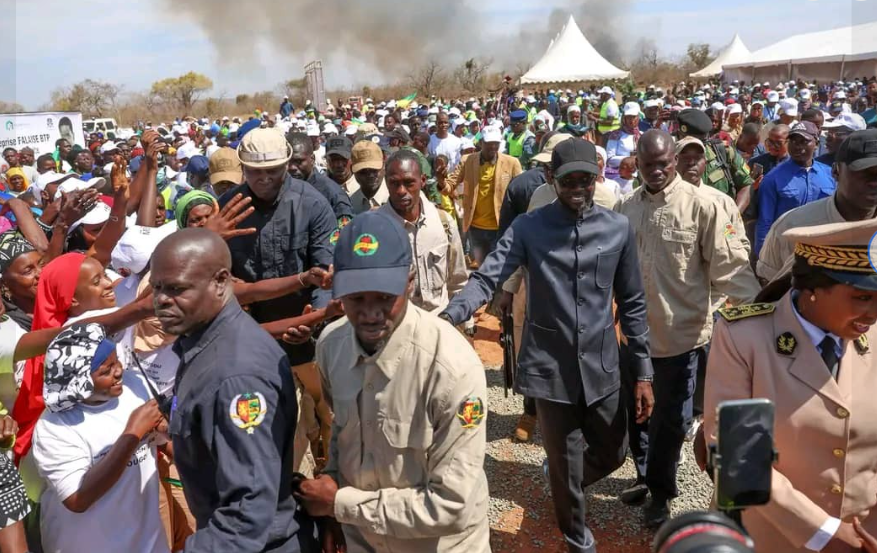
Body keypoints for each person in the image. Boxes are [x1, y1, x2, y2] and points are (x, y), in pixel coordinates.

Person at [441, 138, 655, 553]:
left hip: (602, 367)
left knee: (614, 452)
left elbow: (632, 301)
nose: (579, 187)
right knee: (566, 460)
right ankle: (578, 538)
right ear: (551, 178)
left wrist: (643, 371)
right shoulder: (529, 227)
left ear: (597, 178)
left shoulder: (617, 229)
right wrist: (451, 316)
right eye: (569, 179)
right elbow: (487, 278)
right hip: (549, 370)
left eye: (587, 179)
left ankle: (564, 479)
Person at [295, 211, 489, 552]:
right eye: (356, 298)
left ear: (410, 281)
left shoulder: (452, 367)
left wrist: (341, 504)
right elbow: (343, 431)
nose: (370, 313)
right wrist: (334, 501)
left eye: (385, 297)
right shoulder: (331, 346)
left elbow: (452, 506)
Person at [704, 218, 877, 553]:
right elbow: (739, 459)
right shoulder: (744, 338)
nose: (873, 313)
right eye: (862, 297)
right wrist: (825, 533)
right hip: (772, 538)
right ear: (811, 289)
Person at [616, 131, 760, 527]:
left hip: (680, 339)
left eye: (664, 164)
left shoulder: (704, 207)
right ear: (638, 163)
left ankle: (662, 495)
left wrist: (765, 312)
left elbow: (731, 269)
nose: (657, 172)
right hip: (633, 337)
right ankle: (646, 478)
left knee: (671, 421)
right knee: (638, 415)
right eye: (649, 165)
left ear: (674, 161)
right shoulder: (625, 207)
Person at [150, 228, 317, 551]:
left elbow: (248, 510)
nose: (161, 301)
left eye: (176, 289)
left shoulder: (237, 376)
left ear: (221, 281)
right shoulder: (206, 342)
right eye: (157, 287)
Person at [32, 323, 168, 553]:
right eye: (105, 371)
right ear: (77, 383)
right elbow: (77, 499)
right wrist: (133, 433)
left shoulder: (136, 385)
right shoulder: (55, 427)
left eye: (116, 361)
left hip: (147, 541)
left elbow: (165, 441)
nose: (118, 371)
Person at [758, 129, 877, 282]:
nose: (874, 182)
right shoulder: (792, 227)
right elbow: (768, 286)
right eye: (864, 172)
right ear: (836, 171)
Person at [379, 150, 467, 313]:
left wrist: (463, 321)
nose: (401, 191)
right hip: (398, 326)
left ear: (423, 181)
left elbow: (458, 280)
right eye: (394, 183)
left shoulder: (444, 222)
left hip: (440, 321)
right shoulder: (375, 228)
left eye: (409, 183)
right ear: (386, 182)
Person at [444, 126, 522, 266]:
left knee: (499, 269)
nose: (493, 146)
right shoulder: (467, 160)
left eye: (496, 143)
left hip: (501, 226)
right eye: (489, 143)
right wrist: (440, 179)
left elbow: (520, 191)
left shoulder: (512, 163)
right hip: (476, 227)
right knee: (482, 267)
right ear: (481, 143)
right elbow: (449, 185)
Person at [756, 121, 836, 257]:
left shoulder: (830, 175)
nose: (797, 146)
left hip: (823, 251)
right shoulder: (773, 178)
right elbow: (765, 222)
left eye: (804, 141)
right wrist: (762, 257)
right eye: (793, 141)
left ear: (816, 144)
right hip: (786, 251)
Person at [676, 109, 753, 212]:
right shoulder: (669, 158)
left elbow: (746, 184)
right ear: (680, 135)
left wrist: (734, 215)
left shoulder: (723, 152)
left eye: (701, 142)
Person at [286, 132, 354, 228]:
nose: (292, 167)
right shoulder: (279, 188)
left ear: (312, 159)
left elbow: (344, 235)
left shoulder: (333, 194)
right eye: (288, 161)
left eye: (298, 161)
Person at [605, 102, 642, 181]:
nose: (631, 120)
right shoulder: (615, 135)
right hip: (620, 177)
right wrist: (630, 160)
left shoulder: (642, 135)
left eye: (634, 117)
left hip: (640, 176)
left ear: (638, 117)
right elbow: (609, 159)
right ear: (624, 118)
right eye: (628, 117)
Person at [349, 140, 388, 214]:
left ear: (383, 166)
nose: (370, 175)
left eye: (374, 170)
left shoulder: (396, 198)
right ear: (352, 170)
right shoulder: (351, 203)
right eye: (363, 171)